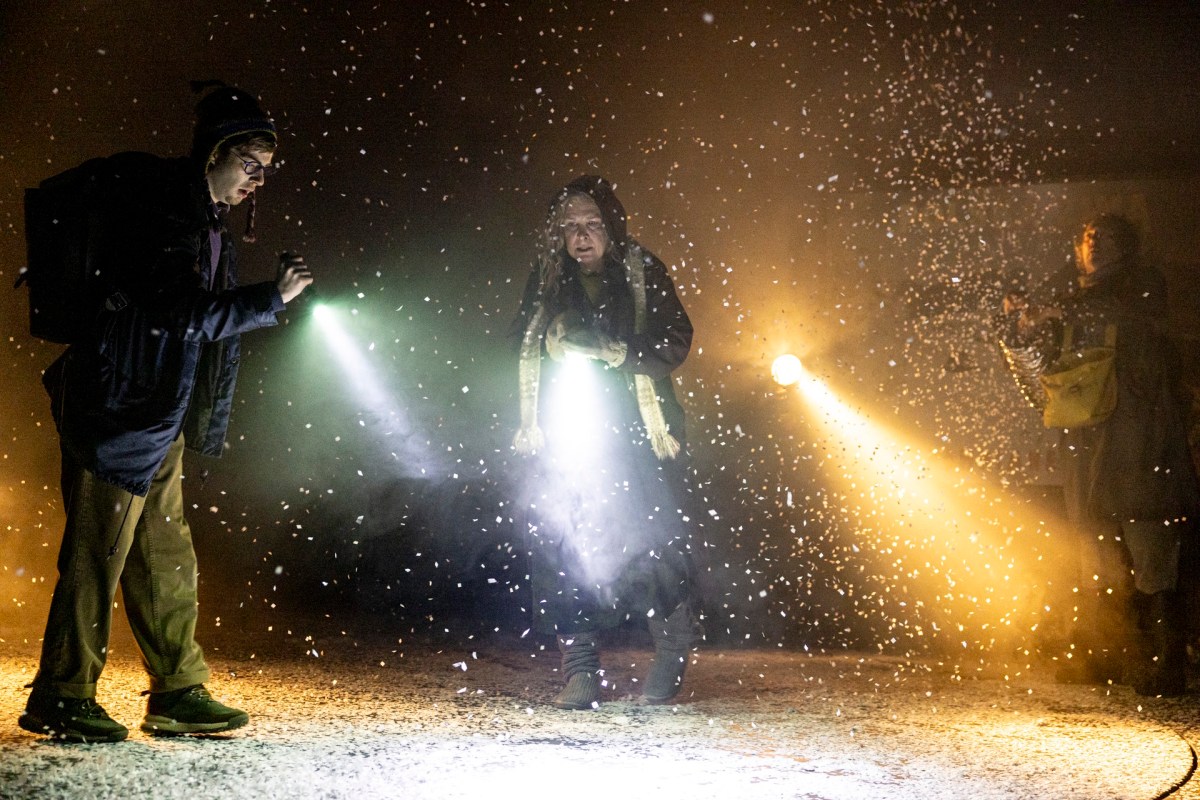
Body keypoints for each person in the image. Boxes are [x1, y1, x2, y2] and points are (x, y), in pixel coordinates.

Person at [18, 82, 313, 742]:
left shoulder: (204, 225)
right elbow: (180, 317)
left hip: (155, 418)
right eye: (249, 163)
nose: (257, 180)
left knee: (167, 556)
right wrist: (272, 299)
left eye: (266, 169)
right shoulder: (166, 215)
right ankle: (61, 696)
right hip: (115, 413)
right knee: (98, 557)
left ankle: (178, 691)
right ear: (214, 153)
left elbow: (192, 331)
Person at [509, 175, 700, 709]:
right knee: (563, 538)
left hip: (639, 431)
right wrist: (553, 342)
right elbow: (518, 343)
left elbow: (676, 339)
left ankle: (671, 649)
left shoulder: (643, 272)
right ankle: (580, 666)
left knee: (651, 539)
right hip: (572, 429)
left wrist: (620, 353)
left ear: (612, 227)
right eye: (570, 227)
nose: (582, 236)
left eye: (592, 224)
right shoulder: (548, 280)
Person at [999, 213, 1199, 696]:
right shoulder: (1071, 300)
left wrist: (1055, 310)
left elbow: (1126, 319)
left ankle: (1166, 661)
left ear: (1124, 245)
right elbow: (1038, 379)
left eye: (1104, 235)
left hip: (1142, 440)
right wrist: (1019, 330)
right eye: (1087, 236)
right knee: (1096, 555)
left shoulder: (1141, 286)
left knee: (1150, 551)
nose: (1093, 242)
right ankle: (1105, 655)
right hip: (1088, 448)